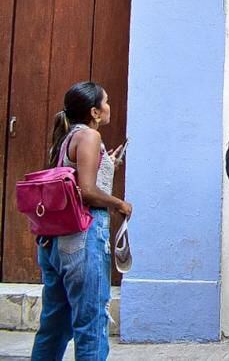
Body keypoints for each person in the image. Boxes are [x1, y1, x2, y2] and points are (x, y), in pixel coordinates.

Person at [32, 82, 131, 361]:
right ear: (95, 112)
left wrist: (107, 163)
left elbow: (78, 180)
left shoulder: (68, 136)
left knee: (54, 325)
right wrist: (119, 204)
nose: (109, 106)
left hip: (55, 242)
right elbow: (87, 192)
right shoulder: (89, 136)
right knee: (91, 324)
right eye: (106, 101)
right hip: (82, 239)